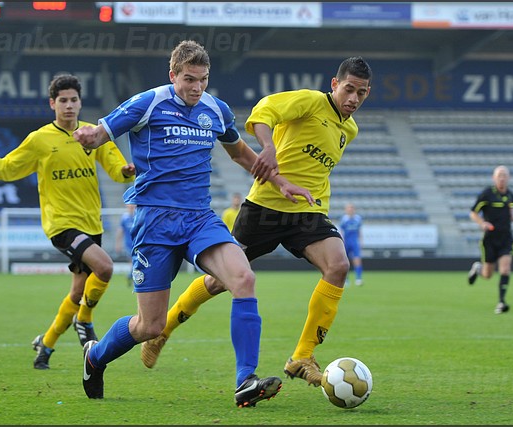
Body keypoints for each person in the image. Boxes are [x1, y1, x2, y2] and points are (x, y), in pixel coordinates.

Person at [73, 40, 312, 407]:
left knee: (243, 278)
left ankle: (245, 380)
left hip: (200, 218)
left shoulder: (215, 109)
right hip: (154, 221)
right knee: (149, 326)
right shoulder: (148, 102)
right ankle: (95, 356)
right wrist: (91, 136)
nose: (197, 87)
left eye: (203, 79)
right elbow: (103, 132)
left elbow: (239, 153)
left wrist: (279, 181)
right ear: (173, 76)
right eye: (189, 79)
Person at [141, 56, 373, 388]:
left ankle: (302, 356)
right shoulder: (309, 102)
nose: (353, 99)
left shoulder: (349, 129)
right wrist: (268, 148)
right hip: (264, 207)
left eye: (361, 93)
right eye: (349, 89)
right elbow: (263, 111)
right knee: (219, 282)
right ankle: (164, 328)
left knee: (338, 265)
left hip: (308, 212)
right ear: (335, 85)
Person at [0, 74, 135, 369]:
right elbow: (6, 169)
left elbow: (116, 170)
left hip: (90, 223)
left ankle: (45, 345)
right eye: (63, 101)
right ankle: (85, 320)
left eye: (73, 100)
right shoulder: (40, 140)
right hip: (61, 224)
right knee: (106, 267)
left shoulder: (93, 134)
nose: (69, 106)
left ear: (80, 102)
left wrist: (128, 169)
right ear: (52, 104)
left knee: (77, 292)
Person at [467, 165, 513, 314]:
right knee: (487, 275)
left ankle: (501, 302)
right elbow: (473, 213)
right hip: (490, 240)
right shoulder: (487, 194)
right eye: (499, 175)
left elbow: (510, 214)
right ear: (494, 178)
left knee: (505, 269)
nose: (502, 178)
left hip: (506, 239)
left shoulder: (511, 196)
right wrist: (482, 223)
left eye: (504, 175)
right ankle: (477, 268)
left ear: (508, 178)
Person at [339, 203, 364, 286]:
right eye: (348, 208)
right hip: (346, 242)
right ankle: (346, 280)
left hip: (354, 242)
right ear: (346, 210)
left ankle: (358, 278)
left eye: (352, 208)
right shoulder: (344, 219)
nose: (350, 209)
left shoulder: (358, 219)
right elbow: (341, 231)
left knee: (357, 260)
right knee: (345, 261)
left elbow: (359, 231)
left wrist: (361, 241)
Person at [115, 203, 136, 287]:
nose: (131, 207)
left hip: (137, 244)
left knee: (136, 261)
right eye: (129, 206)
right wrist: (118, 244)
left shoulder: (137, 217)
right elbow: (120, 231)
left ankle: (131, 275)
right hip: (128, 244)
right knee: (132, 261)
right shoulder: (125, 217)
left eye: (133, 206)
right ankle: (133, 276)